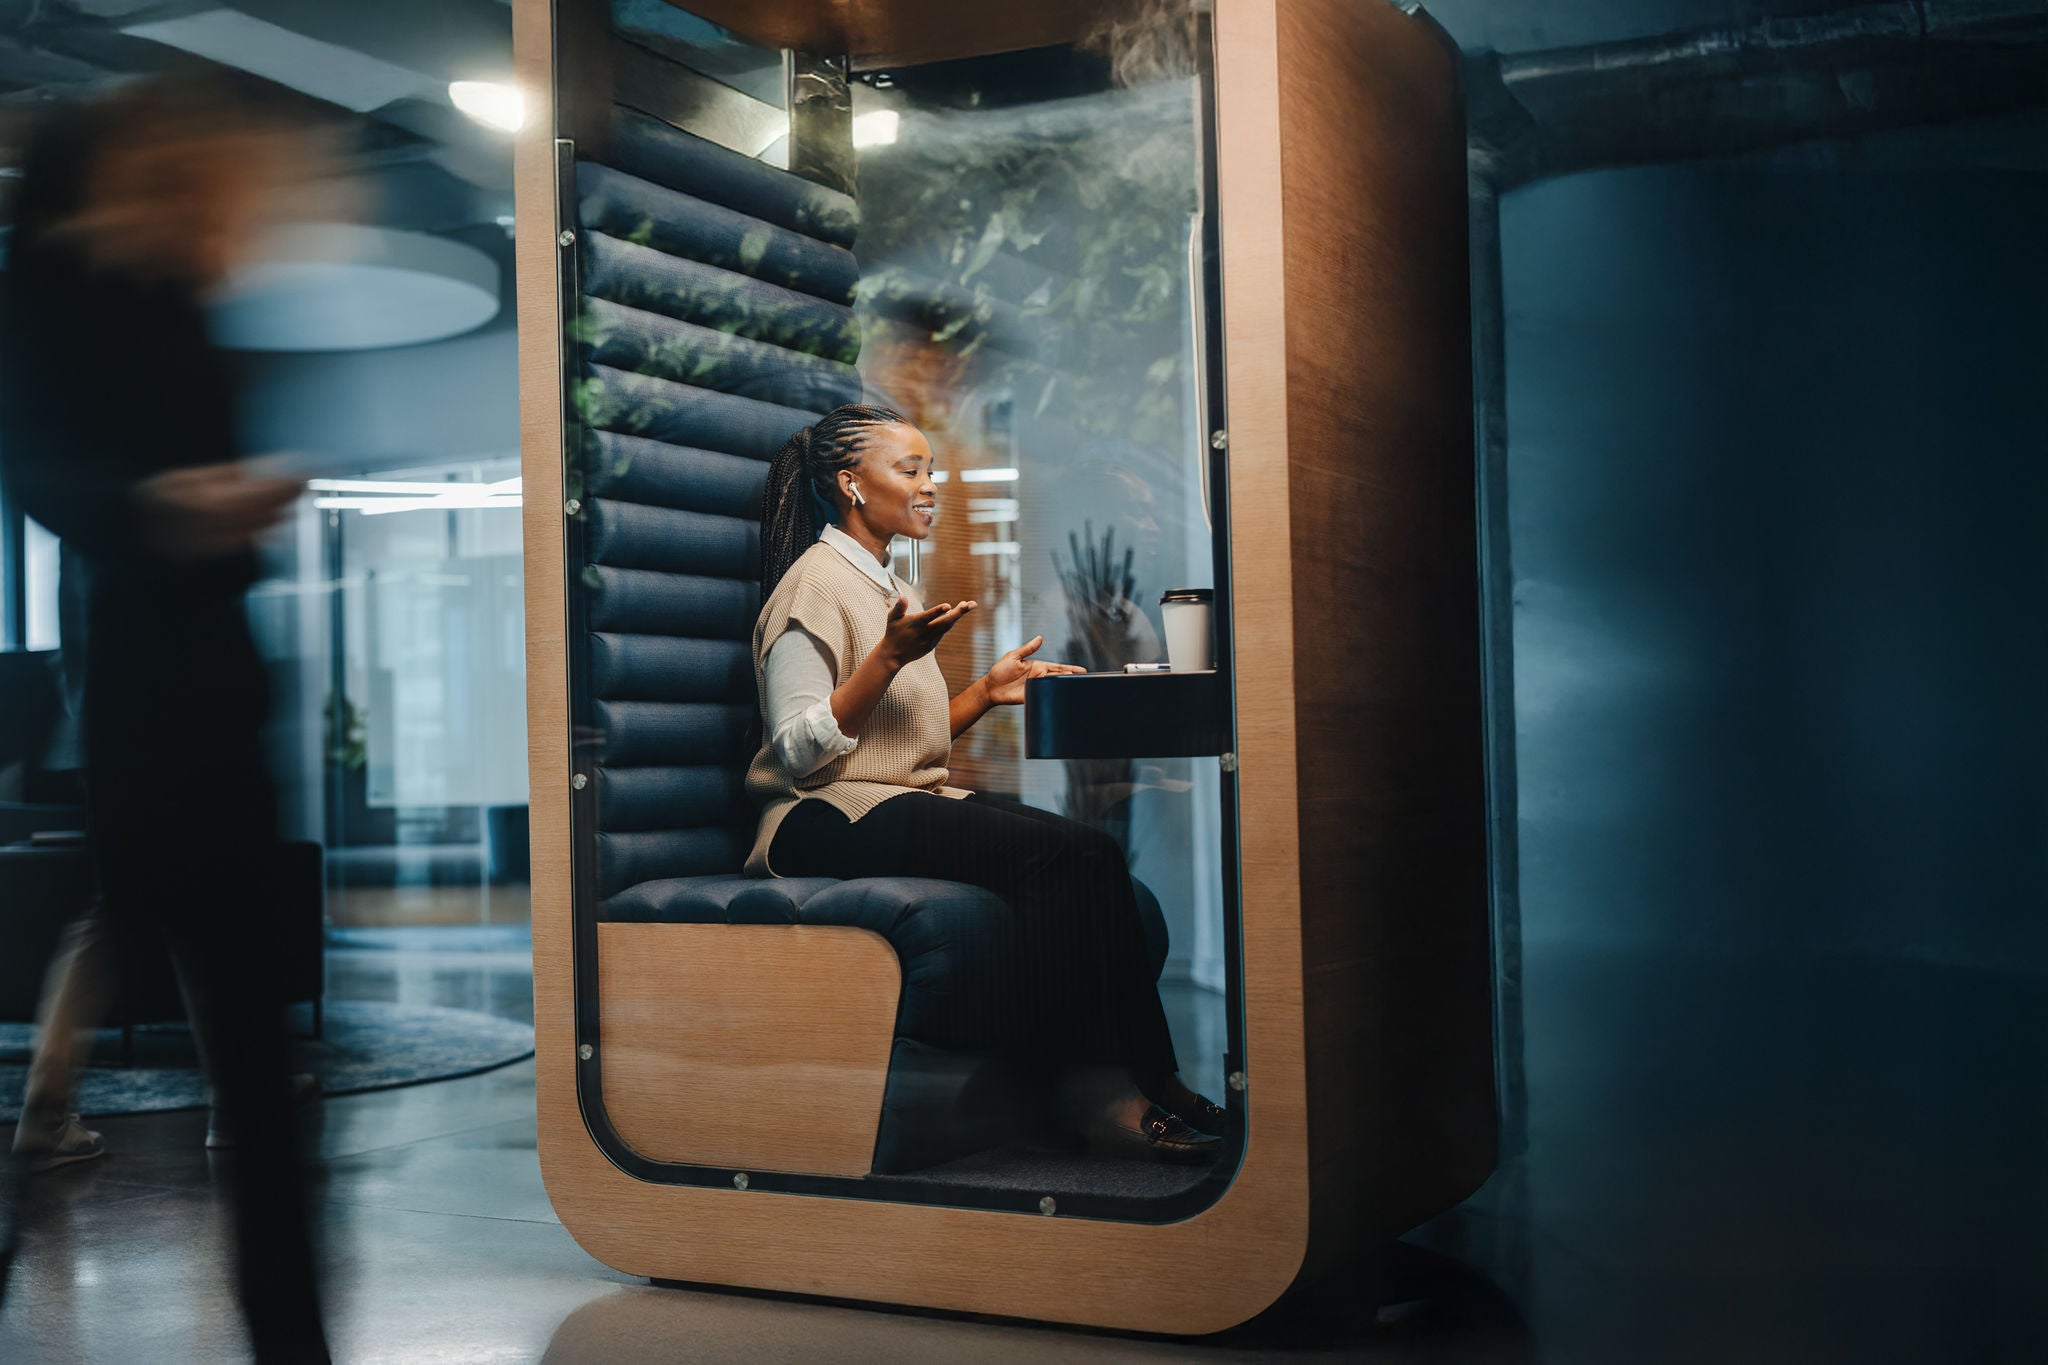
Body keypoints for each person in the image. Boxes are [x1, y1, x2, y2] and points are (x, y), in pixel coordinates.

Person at [0, 76, 328, 1359]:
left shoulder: (181, 298)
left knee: (257, 1080)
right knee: (141, 952)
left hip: (225, 715)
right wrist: (170, 512)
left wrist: (227, 509)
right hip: (142, 718)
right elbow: (50, 481)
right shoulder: (49, 294)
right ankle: (36, 1143)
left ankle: (290, 1336)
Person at [749, 402, 1223, 1163]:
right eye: (910, 469)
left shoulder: (884, 583)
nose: (930, 484)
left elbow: (894, 741)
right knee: (1071, 858)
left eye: (931, 468)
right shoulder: (814, 585)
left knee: (1095, 852)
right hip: (815, 817)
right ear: (850, 485)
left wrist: (985, 692)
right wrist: (888, 658)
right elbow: (800, 749)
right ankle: (1096, 1094)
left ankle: (1151, 1076)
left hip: (887, 798)